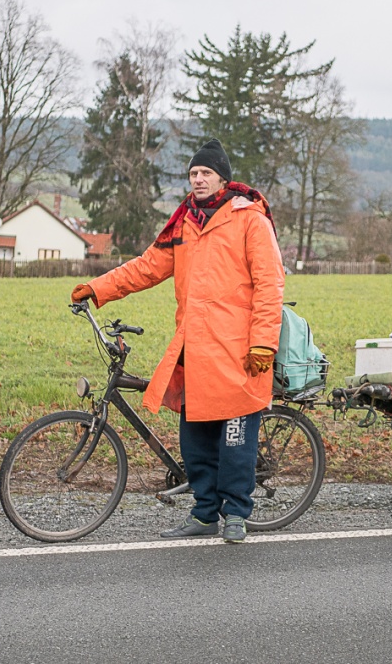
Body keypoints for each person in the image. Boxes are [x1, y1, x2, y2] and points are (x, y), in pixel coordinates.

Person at [70, 139, 285, 544]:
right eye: (192, 174)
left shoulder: (249, 218)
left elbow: (270, 284)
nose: (198, 179)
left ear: (223, 177)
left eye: (205, 173)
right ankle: (204, 514)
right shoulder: (184, 223)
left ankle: (236, 514)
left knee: (235, 441)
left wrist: (263, 343)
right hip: (196, 351)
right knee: (195, 440)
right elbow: (147, 268)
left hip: (241, 353)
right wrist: (97, 289)